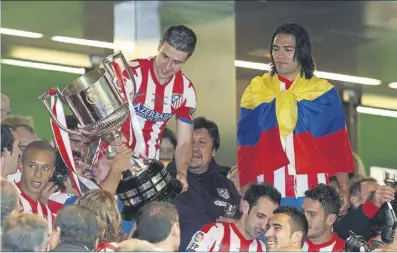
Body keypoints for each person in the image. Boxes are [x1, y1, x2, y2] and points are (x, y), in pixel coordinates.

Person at [237, 23, 354, 213]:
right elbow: (246, 146)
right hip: (267, 191)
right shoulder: (256, 90)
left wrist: (344, 188)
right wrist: (245, 190)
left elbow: (337, 145)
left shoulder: (323, 93)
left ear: (302, 52)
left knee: (312, 242)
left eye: (288, 49)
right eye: (275, 49)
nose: (280, 55)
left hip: (314, 191)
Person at [115, 24, 198, 192]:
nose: (167, 67)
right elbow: (109, 121)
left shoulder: (186, 90)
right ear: (159, 46)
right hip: (112, 162)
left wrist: (182, 172)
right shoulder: (131, 73)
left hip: (146, 171)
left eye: (176, 62)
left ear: (187, 60)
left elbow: (184, 142)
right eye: (165, 56)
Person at [185, 183, 281, 252]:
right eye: (260, 216)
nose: (264, 226)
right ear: (245, 207)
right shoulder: (212, 233)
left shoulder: (262, 249)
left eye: (269, 221)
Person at [301, 184, 345, 251]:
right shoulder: (289, 243)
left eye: (312, 214)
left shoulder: (344, 249)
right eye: (303, 212)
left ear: (330, 219)